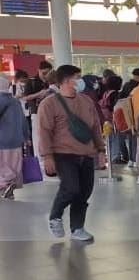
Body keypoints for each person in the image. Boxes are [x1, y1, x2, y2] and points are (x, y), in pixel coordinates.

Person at [36, 65, 105, 242]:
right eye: (77, 77)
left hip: (86, 153)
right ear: (66, 80)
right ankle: (55, 216)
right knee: (71, 188)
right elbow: (44, 132)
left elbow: (95, 127)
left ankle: (78, 228)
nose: (80, 81)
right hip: (63, 155)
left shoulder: (86, 101)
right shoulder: (49, 104)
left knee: (84, 193)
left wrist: (101, 150)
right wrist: (47, 156)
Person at [0, 76, 27, 200]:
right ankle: (7, 190)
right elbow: (23, 121)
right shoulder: (15, 101)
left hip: (2, 140)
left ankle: (6, 184)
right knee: (13, 165)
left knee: (3, 166)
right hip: (17, 140)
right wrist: (26, 136)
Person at [118, 68, 139, 164]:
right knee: (136, 139)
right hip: (135, 114)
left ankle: (131, 159)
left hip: (126, 115)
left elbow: (120, 99)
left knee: (130, 137)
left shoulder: (126, 85)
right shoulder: (138, 86)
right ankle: (135, 159)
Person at [99, 75, 123, 163]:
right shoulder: (115, 94)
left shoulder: (106, 92)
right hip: (113, 119)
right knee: (115, 137)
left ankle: (110, 156)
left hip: (105, 119)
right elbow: (115, 107)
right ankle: (115, 157)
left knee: (109, 138)